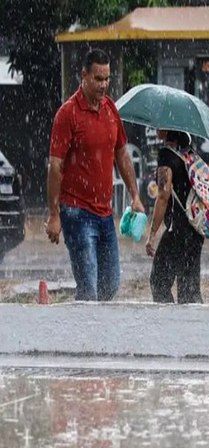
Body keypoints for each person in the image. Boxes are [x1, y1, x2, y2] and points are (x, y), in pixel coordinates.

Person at [46, 48, 145, 301]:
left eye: (107, 78)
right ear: (84, 76)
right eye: (98, 79)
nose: (104, 85)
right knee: (89, 286)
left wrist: (135, 195)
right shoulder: (67, 114)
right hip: (76, 212)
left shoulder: (111, 109)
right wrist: (54, 215)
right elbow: (55, 166)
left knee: (110, 285)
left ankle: (92, 327)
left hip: (104, 213)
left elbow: (122, 154)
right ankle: (83, 334)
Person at [145, 129, 204, 304]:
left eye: (159, 125)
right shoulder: (189, 153)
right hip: (195, 228)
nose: (156, 129)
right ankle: (196, 327)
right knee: (189, 289)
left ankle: (170, 326)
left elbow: (163, 196)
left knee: (159, 281)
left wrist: (152, 235)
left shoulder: (166, 155)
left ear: (167, 129)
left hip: (178, 230)